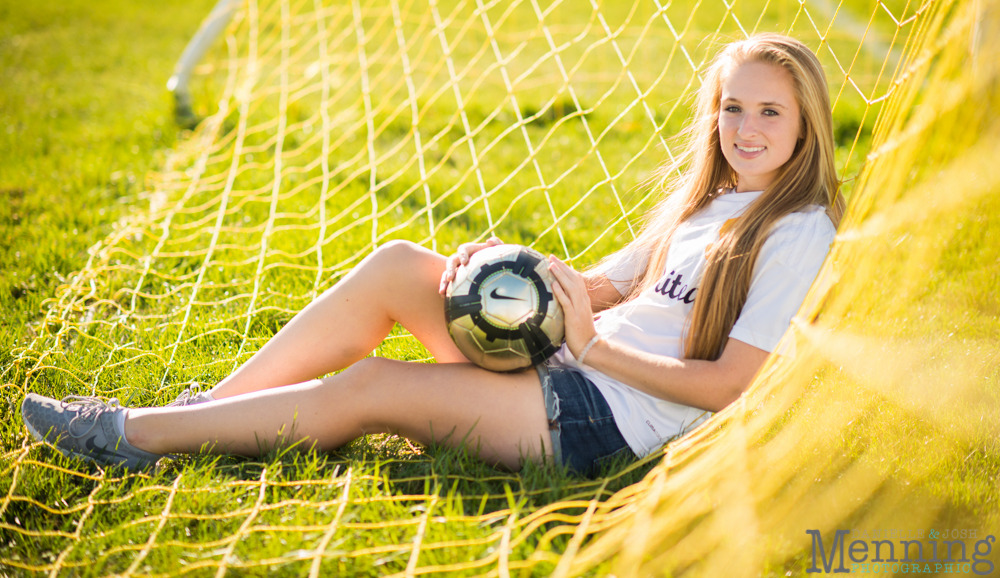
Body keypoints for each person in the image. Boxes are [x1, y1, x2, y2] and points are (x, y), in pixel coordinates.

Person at [21, 33, 844, 477]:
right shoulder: (705, 200)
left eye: (771, 112)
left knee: (372, 386)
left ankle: (132, 435)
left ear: (806, 123)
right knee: (397, 265)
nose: (746, 129)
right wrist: (507, 269)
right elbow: (595, 284)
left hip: (598, 420)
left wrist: (592, 347)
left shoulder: (795, 225)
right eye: (733, 107)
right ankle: (207, 412)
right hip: (566, 367)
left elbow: (734, 384)